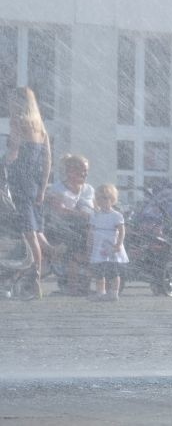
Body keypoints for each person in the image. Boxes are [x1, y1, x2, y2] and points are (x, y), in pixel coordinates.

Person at [5, 86, 52, 299]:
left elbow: (12, 156)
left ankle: (31, 280)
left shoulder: (17, 124)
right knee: (33, 233)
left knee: (29, 234)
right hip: (33, 186)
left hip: (16, 184)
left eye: (11, 100)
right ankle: (35, 276)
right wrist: (42, 189)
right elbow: (47, 163)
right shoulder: (41, 128)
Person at [45, 154, 94, 295]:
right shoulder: (59, 188)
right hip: (63, 227)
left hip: (85, 227)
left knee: (97, 240)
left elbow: (94, 208)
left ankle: (85, 283)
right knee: (78, 246)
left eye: (86, 170)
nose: (85, 173)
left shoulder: (88, 189)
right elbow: (60, 211)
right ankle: (72, 286)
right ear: (71, 171)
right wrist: (81, 214)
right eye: (82, 170)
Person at [87, 184, 127, 301]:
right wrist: (89, 244)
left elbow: (121, 231)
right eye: (98, 198)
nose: (101, 201)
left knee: (112, 271)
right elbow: (91, 231)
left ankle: (114, 292)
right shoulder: (95, 215)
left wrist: (119, 244)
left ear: (112, 199)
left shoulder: (116, 215)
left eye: (105, 198)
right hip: (98, 245)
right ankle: (101, 292)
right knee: (99, 271)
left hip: (111, 245)